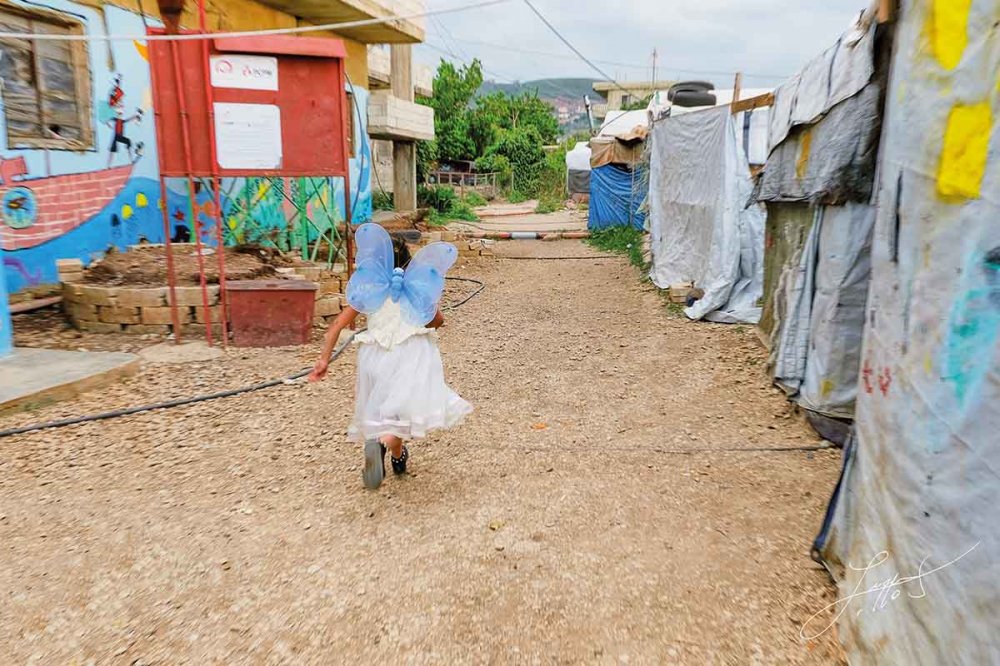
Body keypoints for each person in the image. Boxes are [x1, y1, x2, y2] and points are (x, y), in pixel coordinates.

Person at [309, 230, 472, 489]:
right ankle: (391, 448)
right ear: (409, 261)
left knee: (381, 411)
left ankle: (380, 442)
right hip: (409, 356)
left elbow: (336, 326)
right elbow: (437, 320)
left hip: (373, 356)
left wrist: (324, 360)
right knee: (398, 421)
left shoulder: (369, 290)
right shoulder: (416, 290)